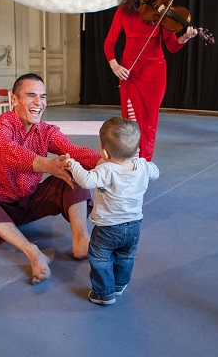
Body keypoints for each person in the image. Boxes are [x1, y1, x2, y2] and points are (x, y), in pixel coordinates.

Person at [0, 73, 101, 285]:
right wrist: (47, 165)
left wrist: (110, 163)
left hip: (29, 203)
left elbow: (73, 150)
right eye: (31, 95)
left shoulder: (46, 131)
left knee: (72, 169)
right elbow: (9, 153)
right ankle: (33, 252)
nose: (38, 102)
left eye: (42, 97)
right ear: (14, 99)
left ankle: (82, 239)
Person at [104, 0, 197, 161]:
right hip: (129, 73)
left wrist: (184, 38)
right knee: (130, 122)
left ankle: (144, 163)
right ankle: (131, 160)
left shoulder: (163, 13)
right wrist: (114, 65)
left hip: (154, 74)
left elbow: (171, 46)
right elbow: (109, 43)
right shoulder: (124, 11)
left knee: (149, 123)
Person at [65, 117, 159, 305]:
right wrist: (141, 161)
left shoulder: (107, 170)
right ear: (136, 149)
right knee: (126, 255)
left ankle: (103, 293)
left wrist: (73, 165)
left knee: (100, 258)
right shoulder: (142, 166)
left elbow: (86, 181)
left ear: (105, 152)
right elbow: (155, 172)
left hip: (108, 228)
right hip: (134, 225)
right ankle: (119, 284)